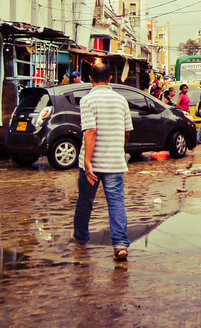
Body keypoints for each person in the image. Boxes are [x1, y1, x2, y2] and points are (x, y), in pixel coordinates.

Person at [72, 63, 132, 261]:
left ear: (90, 79)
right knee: (116, 202)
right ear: (109, 79)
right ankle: (120, 244)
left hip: (93, 163)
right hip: (114, 162)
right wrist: (119, 150)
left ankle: (80, 238)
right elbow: (127, 131)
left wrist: (88, 162)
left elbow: (90, 131)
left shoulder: (88, 100)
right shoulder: (121, 100)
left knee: (85, 201)